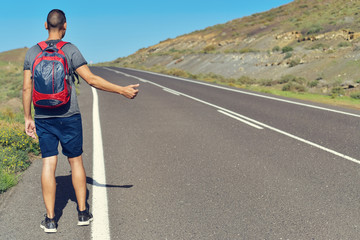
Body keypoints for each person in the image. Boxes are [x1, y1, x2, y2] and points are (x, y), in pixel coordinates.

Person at [22, 9, 139, 233]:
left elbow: (27, 87)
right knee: (75, 161)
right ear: (65, 26)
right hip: (69, 115)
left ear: (45, 26)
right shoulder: (70, 49)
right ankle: (83, 213)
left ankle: (50, 219)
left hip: (43, 117)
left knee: (49, 163)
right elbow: (92, 80)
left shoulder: (32, 52)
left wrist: (28, 117)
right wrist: (121, 90)